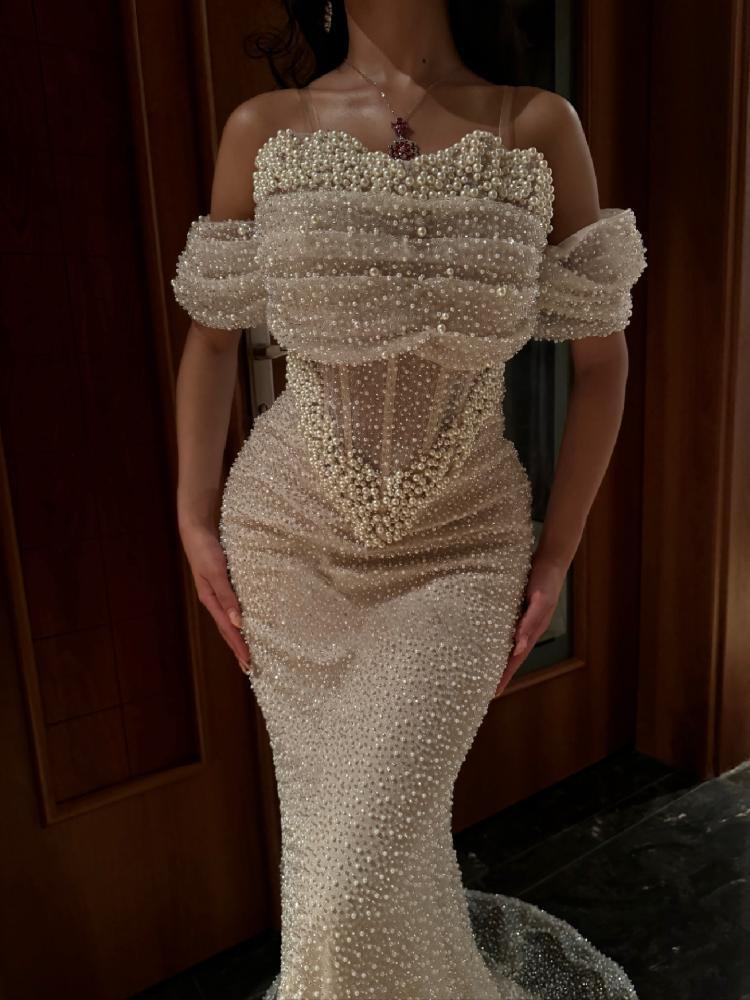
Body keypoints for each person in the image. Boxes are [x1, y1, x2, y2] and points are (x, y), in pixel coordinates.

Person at [171, 1, 647, 996]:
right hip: (289, 540)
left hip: (462, 546)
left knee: (364, 873)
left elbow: (603, 365)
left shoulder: (538, 125)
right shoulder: (264, 128)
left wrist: (557, 553)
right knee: (328, 867)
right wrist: (193, 515)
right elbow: (212, 341)